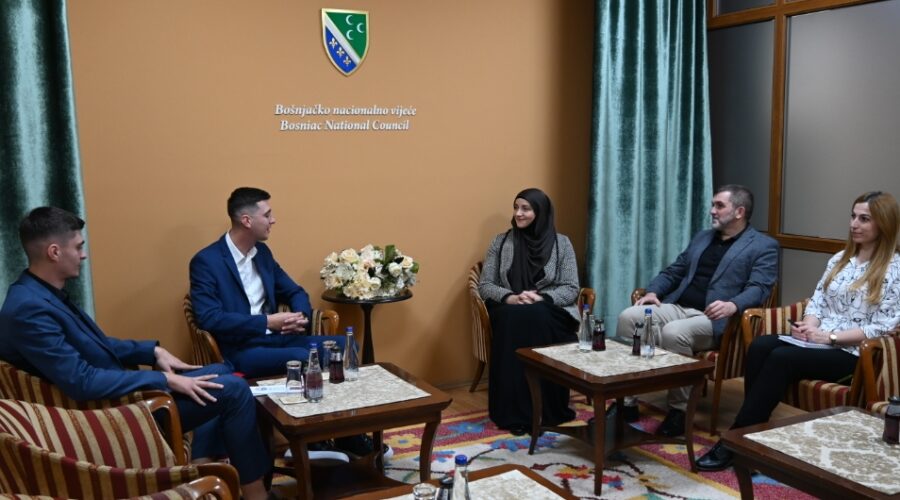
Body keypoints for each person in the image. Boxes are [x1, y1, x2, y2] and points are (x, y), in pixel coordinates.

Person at [0, 207, 271, 500]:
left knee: (223, 369)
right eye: (78, 247)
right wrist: (165, 380)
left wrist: (152, 351)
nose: (83, 255)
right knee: (234, 390)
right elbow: (82, 381)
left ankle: (202, 462)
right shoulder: (29, 310)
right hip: (110, 415)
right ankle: (256, 493)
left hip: (114, 398)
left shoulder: (38, 294)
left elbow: (95, 344)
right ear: (54, 252)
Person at [697, 190, 900, 471]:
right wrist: (810, 325)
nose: (854, 224)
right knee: (761, 345)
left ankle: (736, 440)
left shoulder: (894, 270)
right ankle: (754, 436)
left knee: (782, 358)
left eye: (864, 219)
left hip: (854, 353)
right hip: (819, 341)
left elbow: (881, 327)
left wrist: (829, 337)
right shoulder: (841, 259)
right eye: (853, 216)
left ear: (884, 224)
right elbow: (817, 300)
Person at [189, 187, 372, 457]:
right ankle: (310, 440)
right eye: (267, 214)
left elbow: (295, 292)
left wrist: (300, 317)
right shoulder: (206, 261)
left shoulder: (262, 253)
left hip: (277, 339)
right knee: (303, 356)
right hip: (240, 349)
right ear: (247, 220)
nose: (273, 220)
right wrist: (267, 322)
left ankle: (347, 435)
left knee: (344, 346)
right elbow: (209, 317)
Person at [615, 185, 779, 437]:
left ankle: (679, 411)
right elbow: (675, 270)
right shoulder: (703, 237)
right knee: (629, 317)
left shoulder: (763, 245)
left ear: (739, 212)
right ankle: (626, 402)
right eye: (713, 205)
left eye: (719, 206)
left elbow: (760, 288)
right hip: (678, 306)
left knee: (673, 333)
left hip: (714, 318)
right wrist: (653, 292)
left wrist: (733, 304)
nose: (712, 210)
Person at [478, 188, 580, 435]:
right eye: (516, 208)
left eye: (526, 208)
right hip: (509, 308)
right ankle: (515, 415)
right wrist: (510, 297)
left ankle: (547, 411)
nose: (518, 213)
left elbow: (571, 287)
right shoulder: (501, 242)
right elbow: (486, 285)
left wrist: (541, 297)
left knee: (537, 315)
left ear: (541, 212)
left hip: (550, 309)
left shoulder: (562, 243)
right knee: (518, 317)